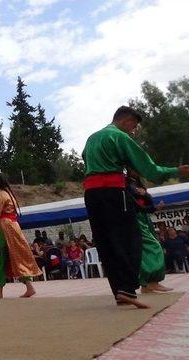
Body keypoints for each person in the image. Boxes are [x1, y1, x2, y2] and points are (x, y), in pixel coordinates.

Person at [82, 105, 189, 309]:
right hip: (113, 192)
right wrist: (176, 170)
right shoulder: (119, 137)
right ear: (127, 120)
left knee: (106, 243)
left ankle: (121, 292)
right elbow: (149, 169)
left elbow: (85, 157)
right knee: (131, 239)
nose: (134, 130)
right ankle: (128, 289)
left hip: (91, 194)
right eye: (134, 126)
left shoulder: (92, 138)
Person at [0, 173, 41, 299]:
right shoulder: (9, 194)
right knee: (15, 257)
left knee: (0, 257)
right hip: (13, 226)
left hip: (4, 227)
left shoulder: (0, 195)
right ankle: (29, 287)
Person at [125, 171, 173, 293]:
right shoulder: (126, 183)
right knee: (155, 247)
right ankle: (151, 281)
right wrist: (150, 203)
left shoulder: (137, 183)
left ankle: (147, 284)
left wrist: (146, 195)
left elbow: (148, 200)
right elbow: (135, 203)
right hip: (136, 219)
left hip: (144, 219)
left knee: (146, 250)